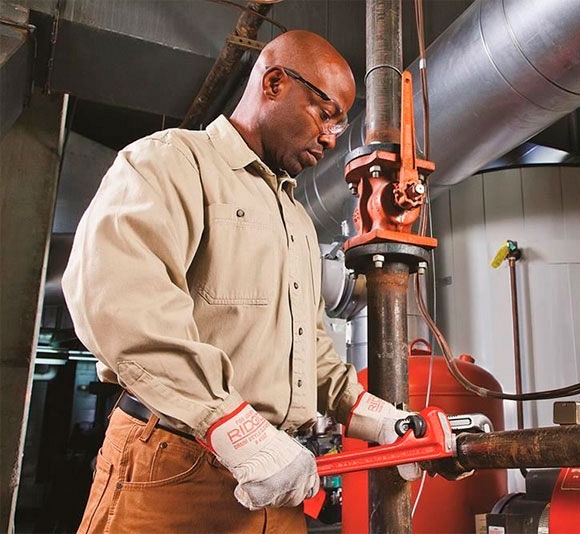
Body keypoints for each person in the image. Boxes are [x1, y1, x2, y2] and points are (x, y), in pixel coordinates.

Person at [63, 30, 414, 533]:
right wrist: (233, 426)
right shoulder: (170, 162)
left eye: (339, 124)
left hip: (281, 475)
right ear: (274, 83)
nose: (332, 138)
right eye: (325, 113)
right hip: (177, 467)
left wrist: (376, 415)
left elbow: (309, 348)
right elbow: (118, 302)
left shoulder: (297, 220)